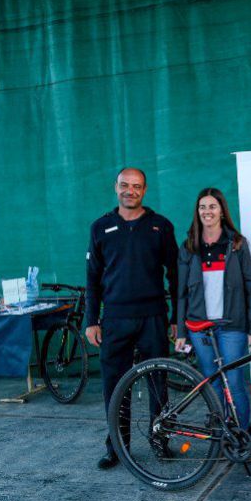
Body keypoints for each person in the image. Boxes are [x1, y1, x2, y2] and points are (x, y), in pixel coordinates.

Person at [85, 167, 178, 470]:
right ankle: (117, 447)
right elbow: (93, 279)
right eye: (125, 185)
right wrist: (91, 320)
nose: (130, 191)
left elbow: (175, 276)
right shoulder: (100, 227)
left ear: (145, 190)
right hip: (115, 320)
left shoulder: (161, 226)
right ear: (116, 188)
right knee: (114, 386)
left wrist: (176, 317)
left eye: (136, 186)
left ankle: (160, 441)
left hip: (153, 317)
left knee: (158, 385)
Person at [175, 188, 251, 429]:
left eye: (212, 206)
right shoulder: (189, 246)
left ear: (222, 210)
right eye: (202, 207)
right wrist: (181, 331)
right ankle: (222, 437)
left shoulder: (237, 244)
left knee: (233, 382)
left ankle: (242, 439)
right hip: (199, 328)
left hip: (232, 326)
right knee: (212, 384)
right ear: (197, 211)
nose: (207, 211)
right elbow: (181, 293)